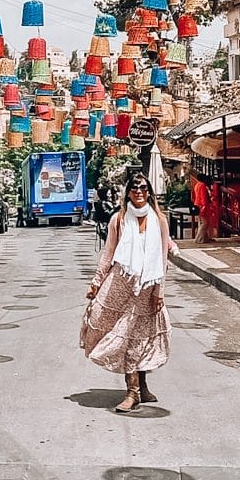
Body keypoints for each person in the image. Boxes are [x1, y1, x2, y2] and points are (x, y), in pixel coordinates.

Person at [80, 173, 180, 413]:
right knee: (125, 337)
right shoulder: (119, 219)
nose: (139, 192)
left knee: (141, 337)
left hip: (148, 289)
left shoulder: (160, 220)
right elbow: (108, 252)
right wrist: (96, 282)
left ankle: (141, 386)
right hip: (120, 286)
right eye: (134, 188)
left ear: (149, 192)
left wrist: (160, 292)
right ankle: (133, 391)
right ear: (128, 192)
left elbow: (162, 259)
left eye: (143, 188)